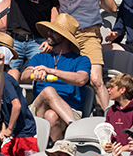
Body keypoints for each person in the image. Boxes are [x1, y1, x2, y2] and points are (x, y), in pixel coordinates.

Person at [23, 14, 90, 142]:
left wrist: (51, 71)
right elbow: (24, 76)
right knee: (48, 91)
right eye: (49, 30)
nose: (49, 33)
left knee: (51, 115)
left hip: (70, 109)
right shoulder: (40, 57)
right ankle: (75, 128)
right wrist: (34, 73)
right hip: (38, 108)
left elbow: (81, 79)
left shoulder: (81, 60)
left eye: (54, 31)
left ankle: (58, 149)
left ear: (65, 37)